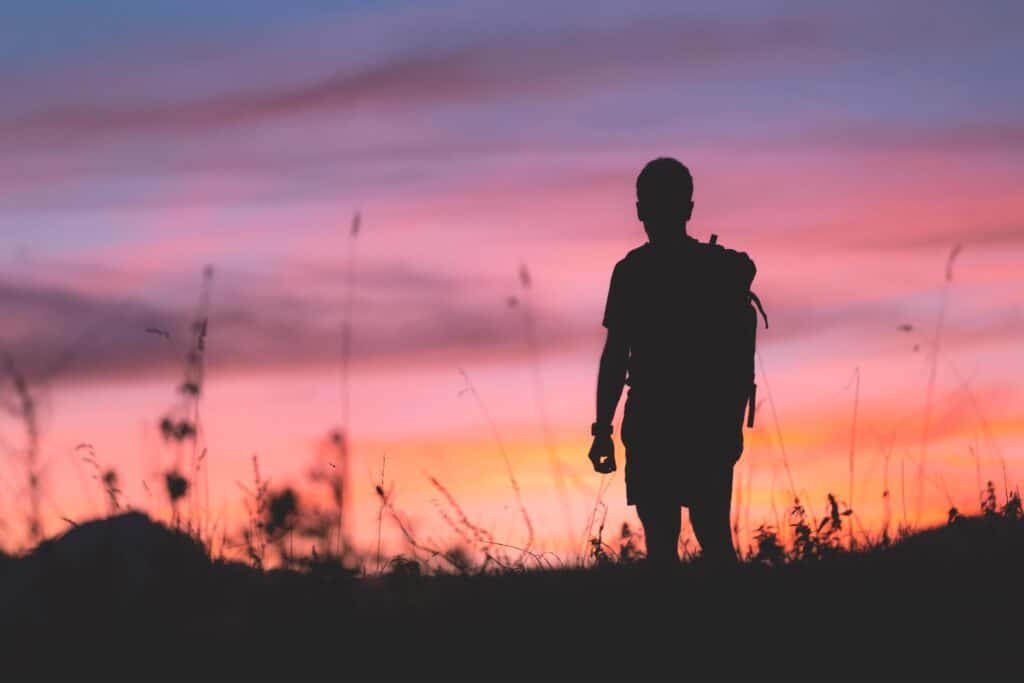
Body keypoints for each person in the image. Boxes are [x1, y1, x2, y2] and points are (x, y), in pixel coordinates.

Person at [587, 157, 757, 567]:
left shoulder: (631, 273)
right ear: (689, 209)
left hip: (653, 423)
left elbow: (615, 357)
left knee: (661, 548)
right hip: (710, 423)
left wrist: (602, 429)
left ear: (640, 209)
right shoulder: (717, 269)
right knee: (716, 540)